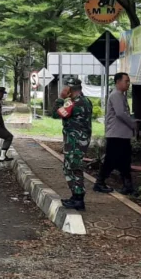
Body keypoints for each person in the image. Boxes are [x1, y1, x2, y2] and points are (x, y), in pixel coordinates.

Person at [93, 72, 139, 195]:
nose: (128, 83)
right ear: (118, 82)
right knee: (111, 159)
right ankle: (100, 182)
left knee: (124, 160)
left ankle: (127, 185)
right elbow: (120, 113)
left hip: (122, 134)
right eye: (126, 81)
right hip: (116, 134)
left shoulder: (121, 95)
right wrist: (133, 124)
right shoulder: (116, 95)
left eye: (128, 81)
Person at [54, 77, 94, 211]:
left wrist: (60, 99)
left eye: (66, 88)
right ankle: (76, 196)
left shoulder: (74, 103)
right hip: (78, 140)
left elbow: (57, 113)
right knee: (71, 167)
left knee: (73, 167)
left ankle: (78, 199)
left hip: (75, 141)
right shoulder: (85, 101)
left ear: (70, 89)